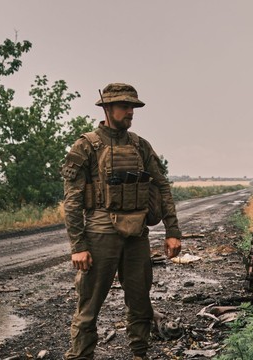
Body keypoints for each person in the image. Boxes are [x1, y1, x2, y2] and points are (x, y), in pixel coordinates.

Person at [60, 83, 182, 360]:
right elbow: (72, 200)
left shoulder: (139, 145)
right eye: (125, 106)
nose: (131, 112)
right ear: (107, 108)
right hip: (100, 234)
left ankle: (140, 354)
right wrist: (78, 245)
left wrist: (172, 231)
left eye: (133, 107)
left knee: (140, 303)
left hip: (137, 234)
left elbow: (161, 187)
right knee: (89, 306)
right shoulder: (86, 145)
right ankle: (81, 356)